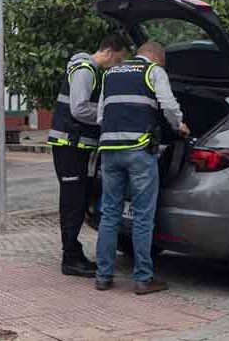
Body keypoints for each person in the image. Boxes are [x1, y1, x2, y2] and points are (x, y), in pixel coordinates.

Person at [95, 41, 190, 295]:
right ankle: (142, 279)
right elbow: (168, 106)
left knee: (109, 214)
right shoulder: (154, 72)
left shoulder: (110, 74)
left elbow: (101, 116)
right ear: (157, 58)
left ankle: (103, 277)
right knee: (142, 216)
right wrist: (179, 126)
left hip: (109, 151)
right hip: (138, 151)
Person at [47, 34, 129, 277]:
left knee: (78, 200)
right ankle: (70, 258)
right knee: (72, 202)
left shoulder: (90, 70)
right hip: (69, 145)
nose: (119, 64)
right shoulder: (85, 70)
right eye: (120, 59)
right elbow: (79, 108)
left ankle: (73, 252)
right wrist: (109, 112)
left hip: (75, 146)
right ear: (112, 51)